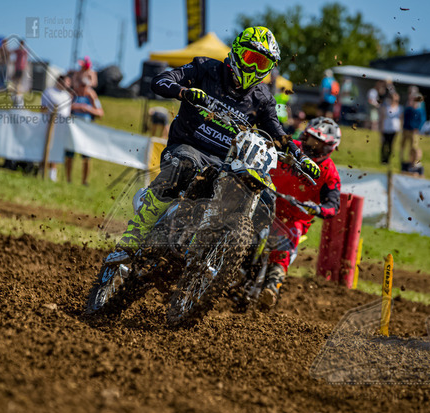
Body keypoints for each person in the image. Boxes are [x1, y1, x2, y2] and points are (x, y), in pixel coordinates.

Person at [116, 26, 320, 253]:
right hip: (188, 146)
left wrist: (300, 156)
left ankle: (219, 257)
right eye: (250, 58)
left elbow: (277, 133)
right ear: (237, 52)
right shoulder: (206, 68)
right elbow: (161, 80)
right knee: (185, 165)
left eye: (261, 64)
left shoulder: (262, 98)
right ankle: (134, 235)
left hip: (225, 162)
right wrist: (184, 92)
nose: (254, 68)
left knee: (260, 196)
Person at [258, 117, 342, 308]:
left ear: (329, 148)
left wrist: (318, 208)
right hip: (263, 201)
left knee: (285, 243)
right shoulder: (290, 147)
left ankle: (272, 285)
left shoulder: (329, 172)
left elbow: (333, 205)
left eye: (318, 143)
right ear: (304, 136)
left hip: (292, 217)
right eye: (311, 140)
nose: (312, 146)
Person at [65, 74, 104, 185]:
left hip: (86, 132)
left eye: (85, 86)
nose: (83, 88)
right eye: (81, 85)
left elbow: (100, 113)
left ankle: (85, 181)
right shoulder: (73, 95)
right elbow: (65, 108)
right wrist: (78, 107)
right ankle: (68, 179)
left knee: (86, 157)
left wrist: (87, 108)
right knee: (69, 155)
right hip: (73, 130)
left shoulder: (91, 96)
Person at [41, 74, 73, 182]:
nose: (67, 85)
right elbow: (43, 108)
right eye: (66, 82)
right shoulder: (49, 92)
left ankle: (52, 174)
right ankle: (42, 170)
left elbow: (67, 112)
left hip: (62, 126)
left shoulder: (67, 96)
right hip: (48, 124)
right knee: (46, 147)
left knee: (56, 148)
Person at [400, 92, 426, 174]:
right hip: (406, 129)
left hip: (414, 131)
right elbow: (404, 118)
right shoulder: (408, 109)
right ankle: (404, 160)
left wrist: (418, 128)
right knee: (403, 146)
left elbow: (422, 120)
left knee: (414, 147)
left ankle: (414, 161)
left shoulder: (420, 110)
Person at [380, 92, 402, 165]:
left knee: (390, 145)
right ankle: (382, 159)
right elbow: (382, 117)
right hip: (386, 128)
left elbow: (401, 119)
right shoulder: (386, 107)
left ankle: (387, 159)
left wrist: (400, 128)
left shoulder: (399, 108)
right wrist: (381, 128)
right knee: (384, 144)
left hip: (394, 129)